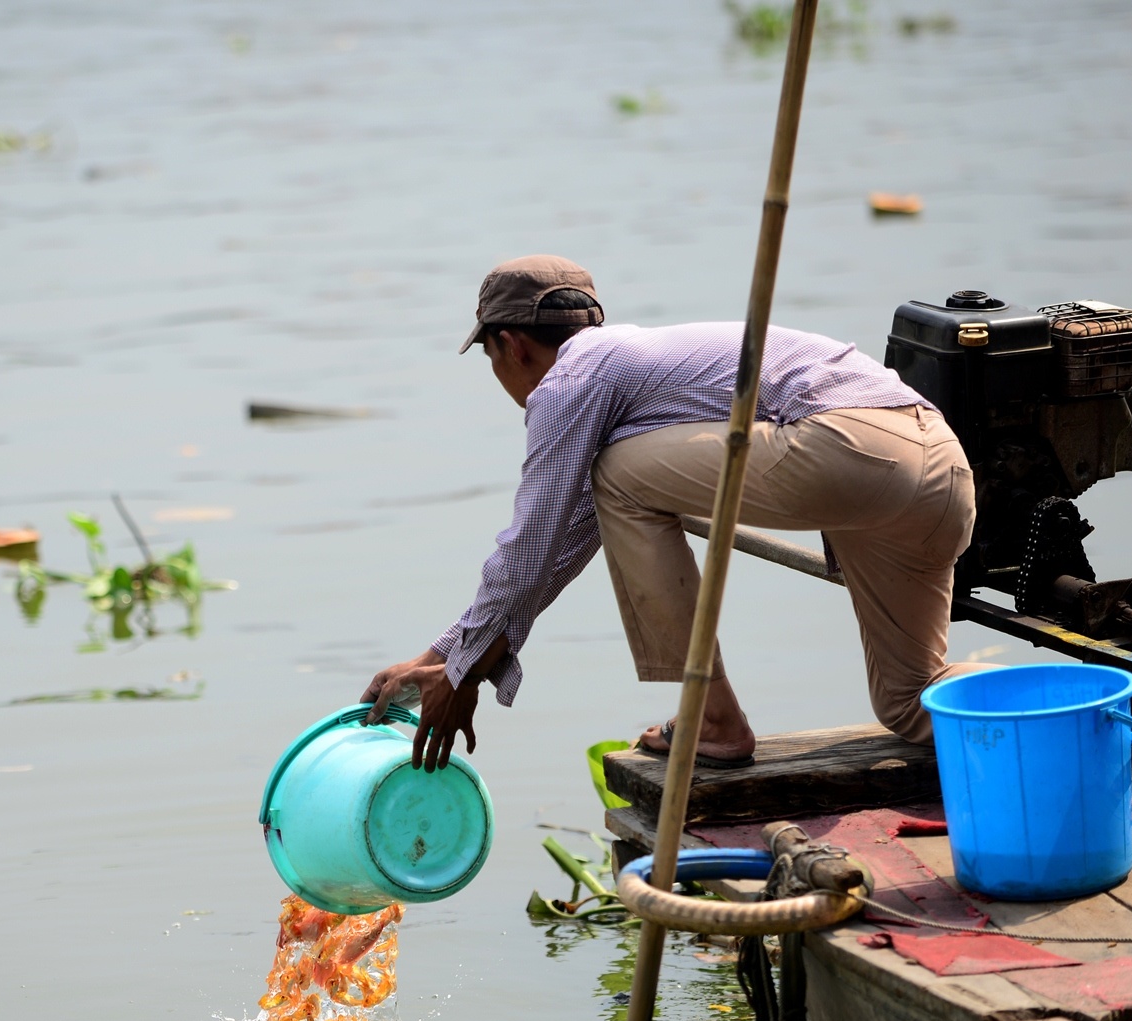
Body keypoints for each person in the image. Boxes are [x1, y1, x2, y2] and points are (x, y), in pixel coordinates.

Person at [360, 254, 988, 772]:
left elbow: (532, 540)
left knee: (615, 474)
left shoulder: (570, 380)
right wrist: (444, 656)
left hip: (848, 450)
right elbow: (568, 534)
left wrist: (466, 669)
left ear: (509, 345)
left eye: (492, 360)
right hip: (940, 465)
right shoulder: (631, 365)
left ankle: (713, 718)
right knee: (911, 706)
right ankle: (1072, 708)